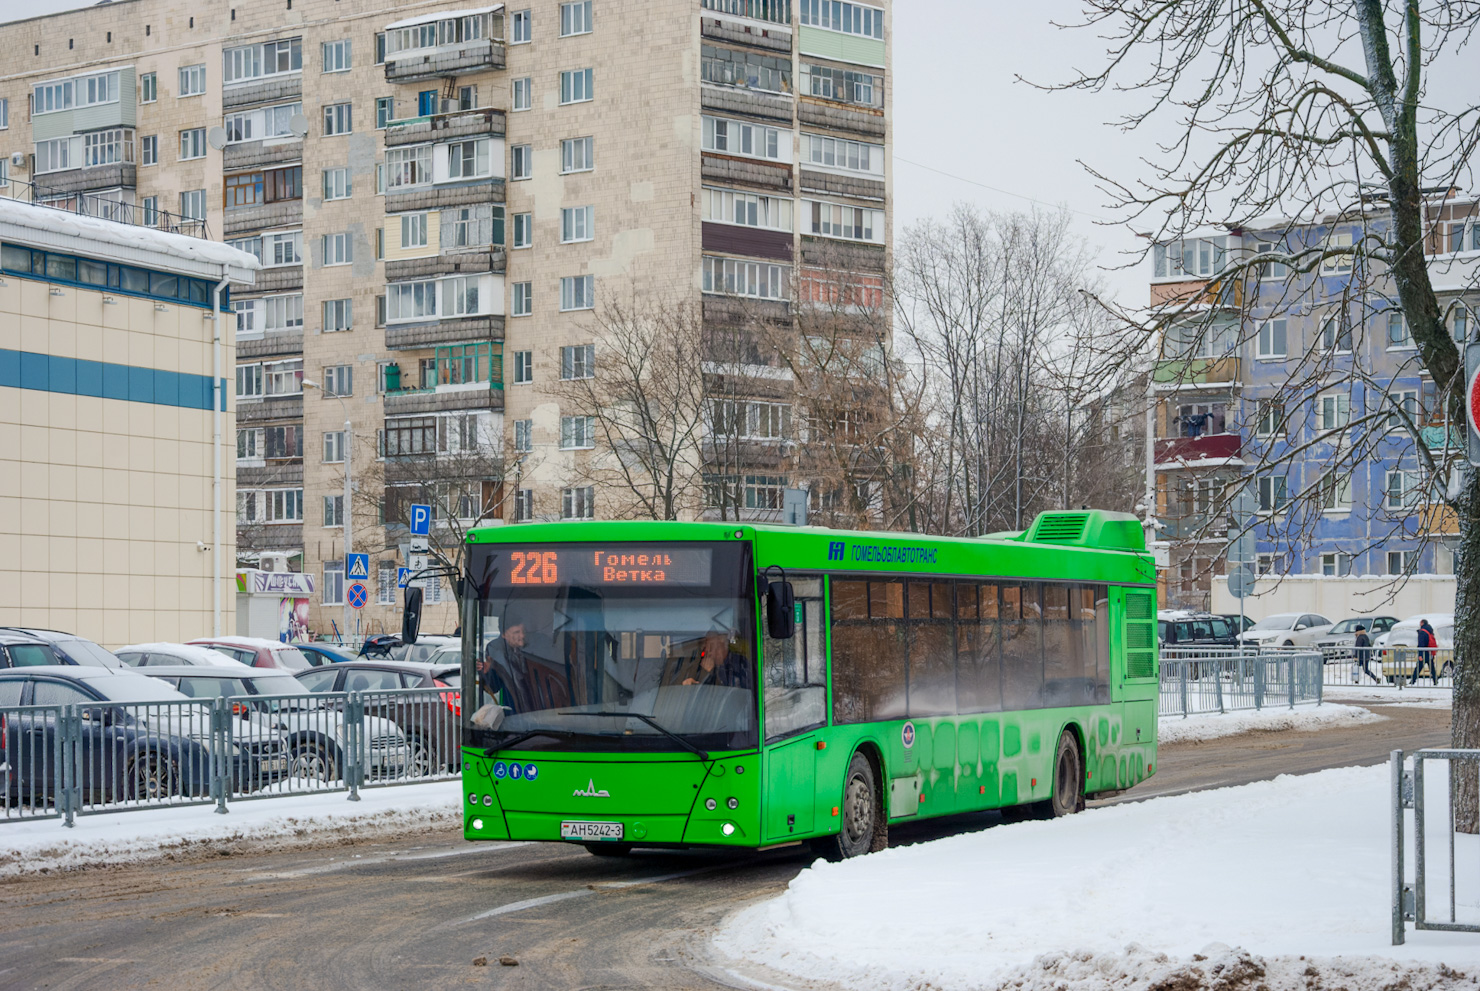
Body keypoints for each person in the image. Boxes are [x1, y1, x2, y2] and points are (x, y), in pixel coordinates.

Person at [680, 630, 750, 689]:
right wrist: (692, 684)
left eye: (711, 646)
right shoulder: (703, 666)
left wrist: (710, 674)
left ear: (721, 644)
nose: (708, 651)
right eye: (706, 647)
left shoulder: (738, 662)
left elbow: (730, 691)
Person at [1411, 619, 1440, 685]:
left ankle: (1412, 681)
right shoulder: (1429, 630)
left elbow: (1421, 644)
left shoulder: (1422, 632)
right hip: (1429, 652)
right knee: (1432, 668)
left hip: (1424, 653)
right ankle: (1435, 681)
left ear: (1422, 623)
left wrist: (1420, 655)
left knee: (1418, 668)